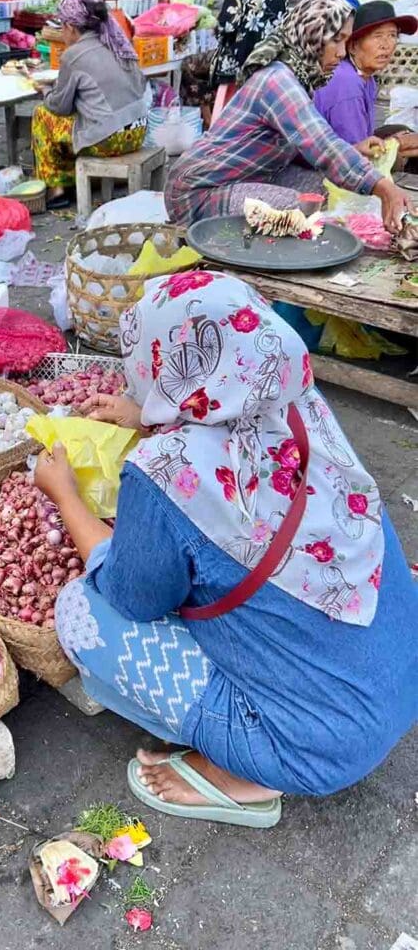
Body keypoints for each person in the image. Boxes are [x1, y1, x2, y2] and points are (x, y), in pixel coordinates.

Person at [35, 271, 417, 825]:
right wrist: (148, 418)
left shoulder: (161, 472)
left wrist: (65, 495)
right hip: (399, 671)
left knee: (80, 611)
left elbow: (128, 594)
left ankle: (244, 773)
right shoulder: (299, 403)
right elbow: (231, 447)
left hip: (320, 749)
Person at [165, 0, 412, 230]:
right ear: (312, 35)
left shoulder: (302, 79)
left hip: (243, 180)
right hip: (197, 193)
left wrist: (353, 151)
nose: (341, 52)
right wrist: (383, 188)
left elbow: (309, 149)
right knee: (302, 207)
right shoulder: (278, 81)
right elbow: (324, 147)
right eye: (336, 40)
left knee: (324, 190)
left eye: (345, 41)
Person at [32, 0, 147, 210]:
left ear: (71, 27)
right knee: (81, 117)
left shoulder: (73, 55)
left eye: (62, 27)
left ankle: (55, 188)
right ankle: (73, 179)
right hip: (139, 130)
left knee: (42, 114)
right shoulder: (115, 43)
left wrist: (46, 91)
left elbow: (59, 107)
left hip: (110, 140)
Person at [315, 0, 418, 152]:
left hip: (345, 150)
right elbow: (356, 156)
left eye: (392, 35)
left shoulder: (366, 78)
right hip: (319, 164)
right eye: (377, 36)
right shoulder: (346, 81)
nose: (386, 45)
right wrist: (397, 144)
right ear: (353, 46)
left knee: (401, 130)